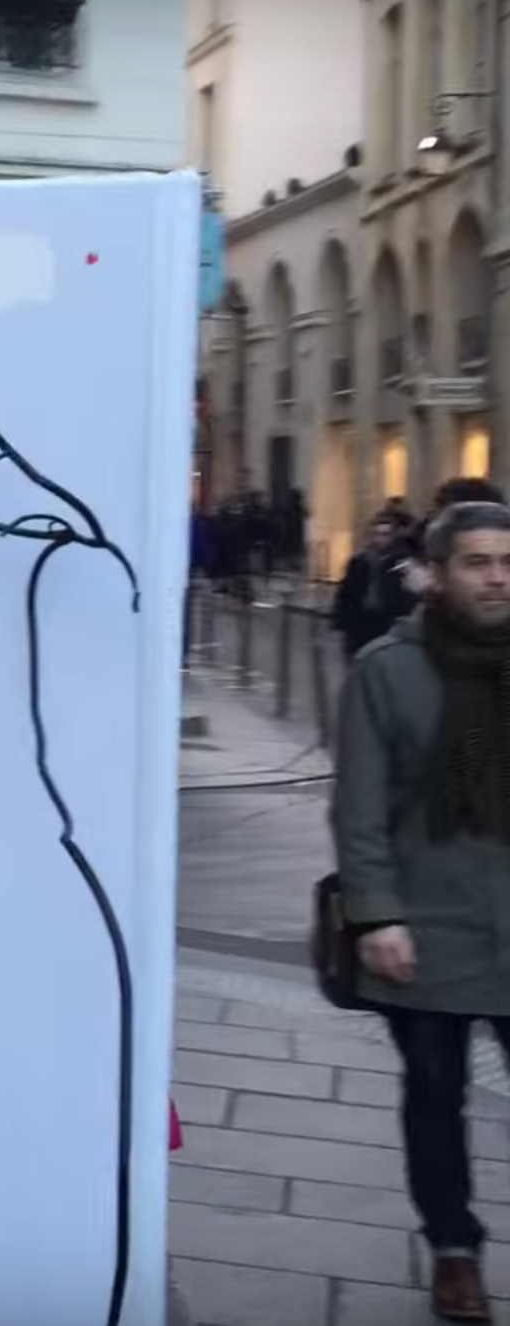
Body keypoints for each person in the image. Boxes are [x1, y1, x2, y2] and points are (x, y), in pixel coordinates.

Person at [333, 499, 510, 1322]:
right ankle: (454, 1250)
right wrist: (376, 916)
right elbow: (360, 808)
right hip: (428, 923)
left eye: (507, 563)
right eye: (478, 562)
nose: (497, 578)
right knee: (436, 1096)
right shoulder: (387, 670)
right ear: (435, 574)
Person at [333, 508, 422, 658]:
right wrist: (342, 620)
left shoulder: (402, 561)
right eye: (376, 534)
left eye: (385, 534)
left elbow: (408, 594)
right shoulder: (359, 560)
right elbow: (347, 591)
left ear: (393, 536)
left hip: (387, 621)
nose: (380, 539)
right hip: (361, 622)